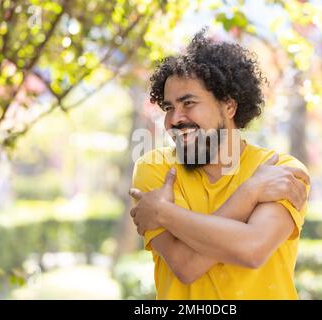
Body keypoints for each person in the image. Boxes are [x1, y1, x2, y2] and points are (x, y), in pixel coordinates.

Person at [128, 29, 310, 299]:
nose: (174, 119)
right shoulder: (155, 169)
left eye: (188, 103)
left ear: (229, 106)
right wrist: (251, 193)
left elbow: (251, 249)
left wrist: (163, 212)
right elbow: (185, 265)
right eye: (168, 108)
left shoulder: (280, 170)